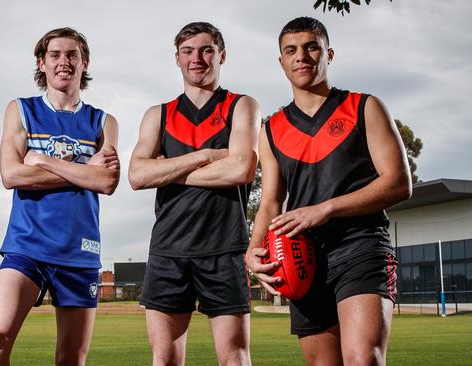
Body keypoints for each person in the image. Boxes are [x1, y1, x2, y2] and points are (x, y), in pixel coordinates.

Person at [246, 16, 411, 366]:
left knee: (363, 357)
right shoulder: (272, 129)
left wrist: (325, 209)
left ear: (328, 54)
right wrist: (253, 249)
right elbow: (270, 202)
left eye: (311, 47)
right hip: (301, 254)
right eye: (291, 50)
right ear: (281, 62)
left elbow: (398, 182)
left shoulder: (365, 107)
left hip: (361, 242)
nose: (301, 56)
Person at [0, 27, 120, 366]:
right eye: (54, 55)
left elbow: (106, 182)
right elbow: (12, 175)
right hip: (27, 246)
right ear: (41, 64)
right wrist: (84, 169)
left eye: (72, 55)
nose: (64, 62)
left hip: (80, 250)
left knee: (71, 357)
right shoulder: (21, 110)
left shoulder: (103, 121)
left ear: (84, 63)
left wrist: (43, 160)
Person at [129, 22, 260, 366]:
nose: (197, 59)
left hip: (225, 248)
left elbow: (241, 169)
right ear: (177, 59)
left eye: (206, 50)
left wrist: (169, 170)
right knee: (165, 358)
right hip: (168, 250)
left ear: (222, 56)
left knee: (234, 357)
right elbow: (138, 175)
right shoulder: (158, 114)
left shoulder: (241, 106)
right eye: (188, 51)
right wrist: (205, 155)